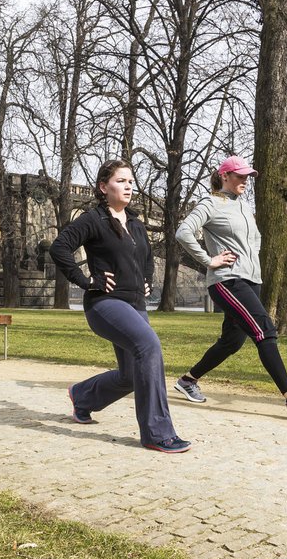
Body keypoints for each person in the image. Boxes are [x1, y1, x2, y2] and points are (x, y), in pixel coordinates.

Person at [49, 160, 191, 453]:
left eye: (130, 181)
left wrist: (148, 279)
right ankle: (157, 433)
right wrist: (86, 280)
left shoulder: (137, 225)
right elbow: (59, 247)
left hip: (135, 304)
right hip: (105, 304)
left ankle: (83, 396)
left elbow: (148, 258)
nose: (128, 186)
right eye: (121, 181)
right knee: (149, 346)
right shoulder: (93, 220)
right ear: (104, 187)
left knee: (131, 375)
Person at [174, 156, 287, 418]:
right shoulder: (211, 203)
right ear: (224, 176)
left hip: (250, 280)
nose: (245, 180)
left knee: (232, 341)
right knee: (265, 330)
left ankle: (188, 380)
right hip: (227, 280)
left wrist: (250, 261)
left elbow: (254, 242)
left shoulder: (242, 207)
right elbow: (183, 232)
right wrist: (210, 260)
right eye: (240, 176)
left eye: (247, 177)